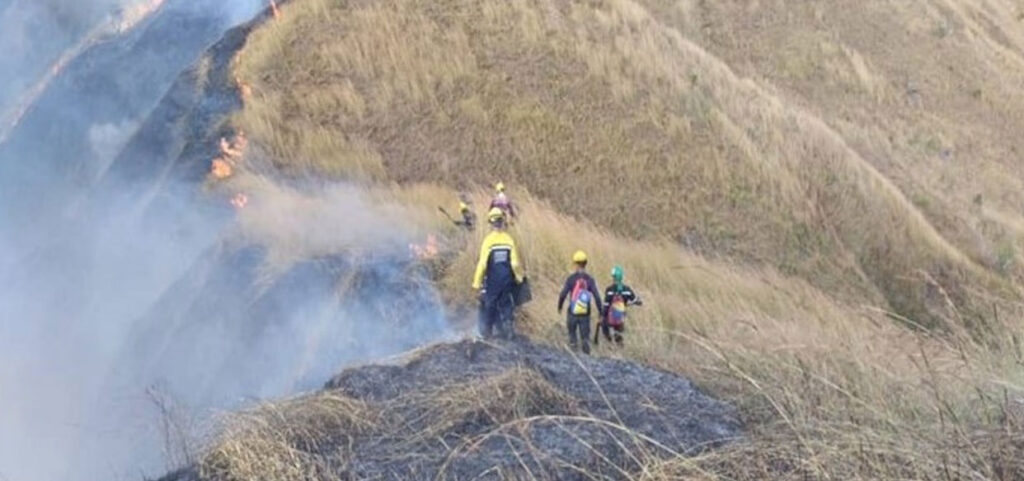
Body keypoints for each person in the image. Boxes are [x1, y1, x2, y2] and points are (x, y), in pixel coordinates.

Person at [472, 207, 524, 339]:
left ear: (491, 222)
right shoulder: (509, 239)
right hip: (507, 279)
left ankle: (487, 332)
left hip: (492, 281)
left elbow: (482, 263)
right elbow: (515, 263)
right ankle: (509, 330)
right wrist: (519, 277)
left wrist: (476, 283)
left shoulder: (488, 241)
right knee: (506, 304)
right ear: (502, 221)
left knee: (490, 304)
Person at [557, 250, 604, 354]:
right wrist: (601, 313)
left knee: (572, 338)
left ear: (575, 264)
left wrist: (559, 307)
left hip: (572, 313)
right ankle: (586, 361)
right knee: (585, 340)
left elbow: (563, 294)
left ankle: (574, 360)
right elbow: (597, 297)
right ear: (585, 263)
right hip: (585, 315)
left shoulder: (571, 279)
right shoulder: (590, 279)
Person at [596, 265, 642, 346]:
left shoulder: (609, 289)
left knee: (605, 328)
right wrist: (637, 301)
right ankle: (619, 347)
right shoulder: (627, 290)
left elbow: (606, 305)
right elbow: (635, 300)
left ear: (613, 277)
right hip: (620, 318)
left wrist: (602, 316)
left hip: (609, 318)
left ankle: (609, 343)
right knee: (619, 335)